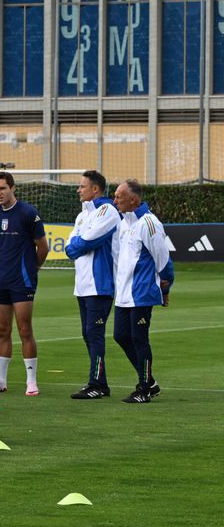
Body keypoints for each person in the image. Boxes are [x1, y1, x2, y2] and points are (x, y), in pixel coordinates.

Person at [0, 171, 48, 396]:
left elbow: (43, 247)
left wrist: (33, 269)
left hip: (22, 280)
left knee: (25, 330)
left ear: (13, 189)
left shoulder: (28, 213)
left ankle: (31, 381)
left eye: (2, 188)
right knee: (1, 331)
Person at [112, 179, 171, 404]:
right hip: (124, 293)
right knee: (121, 336)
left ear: (133, 199)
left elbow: (163, 260)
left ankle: (144, 388)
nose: (115, 200)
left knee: (139, 338)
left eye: (119, 196)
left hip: (142, 292)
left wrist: (165, 289)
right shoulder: (124, 222)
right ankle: (150, 382)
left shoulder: (149, 223)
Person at [65, 170, 121, 399]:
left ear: (95, 189)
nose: (79, 190)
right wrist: (78, 244)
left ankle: (97, 384)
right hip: (84, 285)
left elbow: (87, 240)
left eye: (82, 186)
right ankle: (100, 382)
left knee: (94, 333)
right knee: (88, 334)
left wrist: (79, 243)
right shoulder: (83, 215)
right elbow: (70, 246)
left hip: (101, 284)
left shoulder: (107, 211)